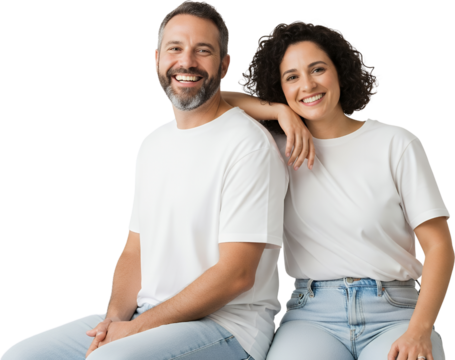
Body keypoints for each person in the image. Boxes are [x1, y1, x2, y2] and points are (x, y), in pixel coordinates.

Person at [1, 2, 289, 360]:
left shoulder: (248, 145)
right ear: (156, 59)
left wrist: (134, 330)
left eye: (203, 50)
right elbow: (134, 250)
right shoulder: (153, 144)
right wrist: (113, 323)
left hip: (228, 328)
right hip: (149, 318)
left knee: (111, 359)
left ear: (225, 65)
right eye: (175, 48)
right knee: (20, 357)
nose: (187, 62)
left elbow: (237, 274)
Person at [221, 19, 453, 360]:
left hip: (396, 311)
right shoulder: (272, 147)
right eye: (292, 77)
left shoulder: (396, 143)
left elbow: (438, 245)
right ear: (278, 88)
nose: (308, 85)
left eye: (318, 69)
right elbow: (214, 101)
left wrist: (419, 330)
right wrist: (279, 113)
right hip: (311, 315)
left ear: (340, 71)